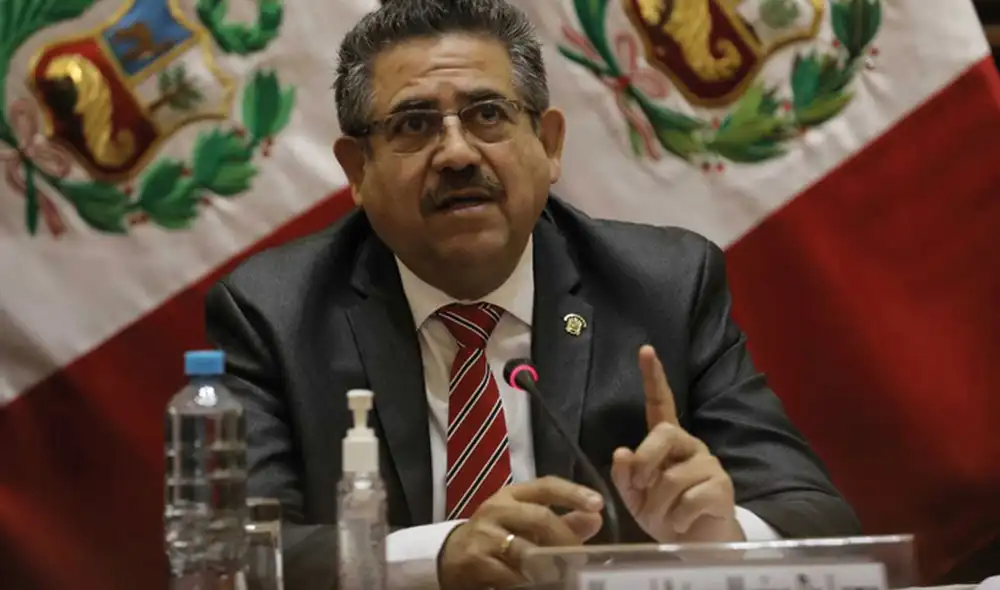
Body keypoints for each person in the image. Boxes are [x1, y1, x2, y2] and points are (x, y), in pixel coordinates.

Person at [204, 0, 861, 588]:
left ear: (547, 146)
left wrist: (717, 535)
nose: (457, 154)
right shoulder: (273, 313)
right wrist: (434, 558)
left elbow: (816, 516)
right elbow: (227, 553)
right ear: (357, 170)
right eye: (413, 125)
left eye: (488, 115)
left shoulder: (663, 285)